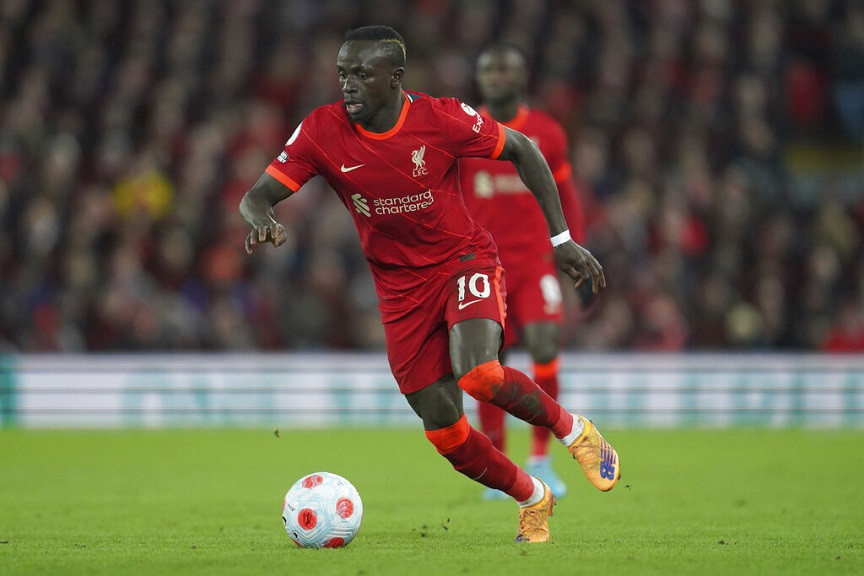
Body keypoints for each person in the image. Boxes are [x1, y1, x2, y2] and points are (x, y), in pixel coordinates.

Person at [240, 25, 619, 544]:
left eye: (361, 74)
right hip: (399, 290)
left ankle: (575, 432)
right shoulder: (321, 130)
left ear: (395, 78)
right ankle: (533, 496)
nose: (348, 84)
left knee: (479, 373)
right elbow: (256, 196)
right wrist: (262, 218)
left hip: (463, 260)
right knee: (445, 432)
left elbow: (524, 150)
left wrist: (562, 240)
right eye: (343, 73)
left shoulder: (441, 118)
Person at [459, 44, 585, 501]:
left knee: (545, 343)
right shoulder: (465, 130)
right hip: (483, 266)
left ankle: (540, 457)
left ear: (521, 76)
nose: (494, 77)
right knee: (489, 364)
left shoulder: (547, 133)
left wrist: (572, 251)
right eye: (487, 69)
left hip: (534, 265)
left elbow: (566, 196)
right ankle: (500, 461)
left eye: (503, 69)